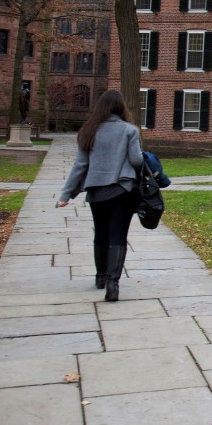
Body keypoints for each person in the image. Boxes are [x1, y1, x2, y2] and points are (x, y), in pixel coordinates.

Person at [57, 90, 143, 302]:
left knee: (101, 233)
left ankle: (101, 276)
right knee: (118, 235)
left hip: (97, 191)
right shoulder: (130, 131)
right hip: (122, 190)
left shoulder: (88, 131)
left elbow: (80, 166)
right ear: (121, 107)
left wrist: (66, 195)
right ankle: (113, 284)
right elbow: (137, 161)